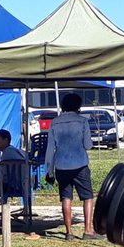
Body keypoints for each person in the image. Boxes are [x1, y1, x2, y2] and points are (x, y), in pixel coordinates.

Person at [44, 92, 98, 239]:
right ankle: (88, 230)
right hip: (80, 164)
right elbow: (88, 145)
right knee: (87, 196)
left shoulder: (55, 122)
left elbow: (50, 148)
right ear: (78, 106)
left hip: (61, 165)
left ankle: (69, 232)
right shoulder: (82, 121)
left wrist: (48, 170)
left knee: (66, 197)